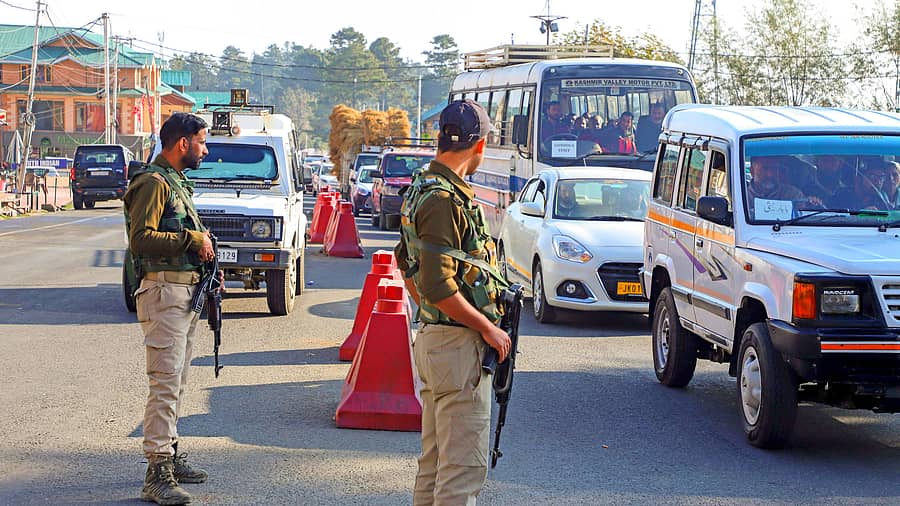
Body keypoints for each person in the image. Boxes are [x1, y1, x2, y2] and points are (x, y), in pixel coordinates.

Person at [395, 99, 511, 506]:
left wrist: (428, 308)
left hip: (438, 339)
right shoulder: (444, 199)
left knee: (437, 462)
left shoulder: (425, 188)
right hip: (457, 347)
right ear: (480, 146)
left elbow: (405, 260)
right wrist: (487, 328)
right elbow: (437, 282)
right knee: (462, 469)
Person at [124, 112, 213, 505]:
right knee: (164, 383)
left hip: (183, 294)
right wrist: (191, 240)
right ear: (183, 143)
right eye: (202, 142)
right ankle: (156, 472)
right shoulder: (152, 183)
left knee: (175, 382)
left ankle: (170, 458)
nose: (204, 150)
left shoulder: (175, 182)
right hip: (163, 294)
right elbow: (141, 239)